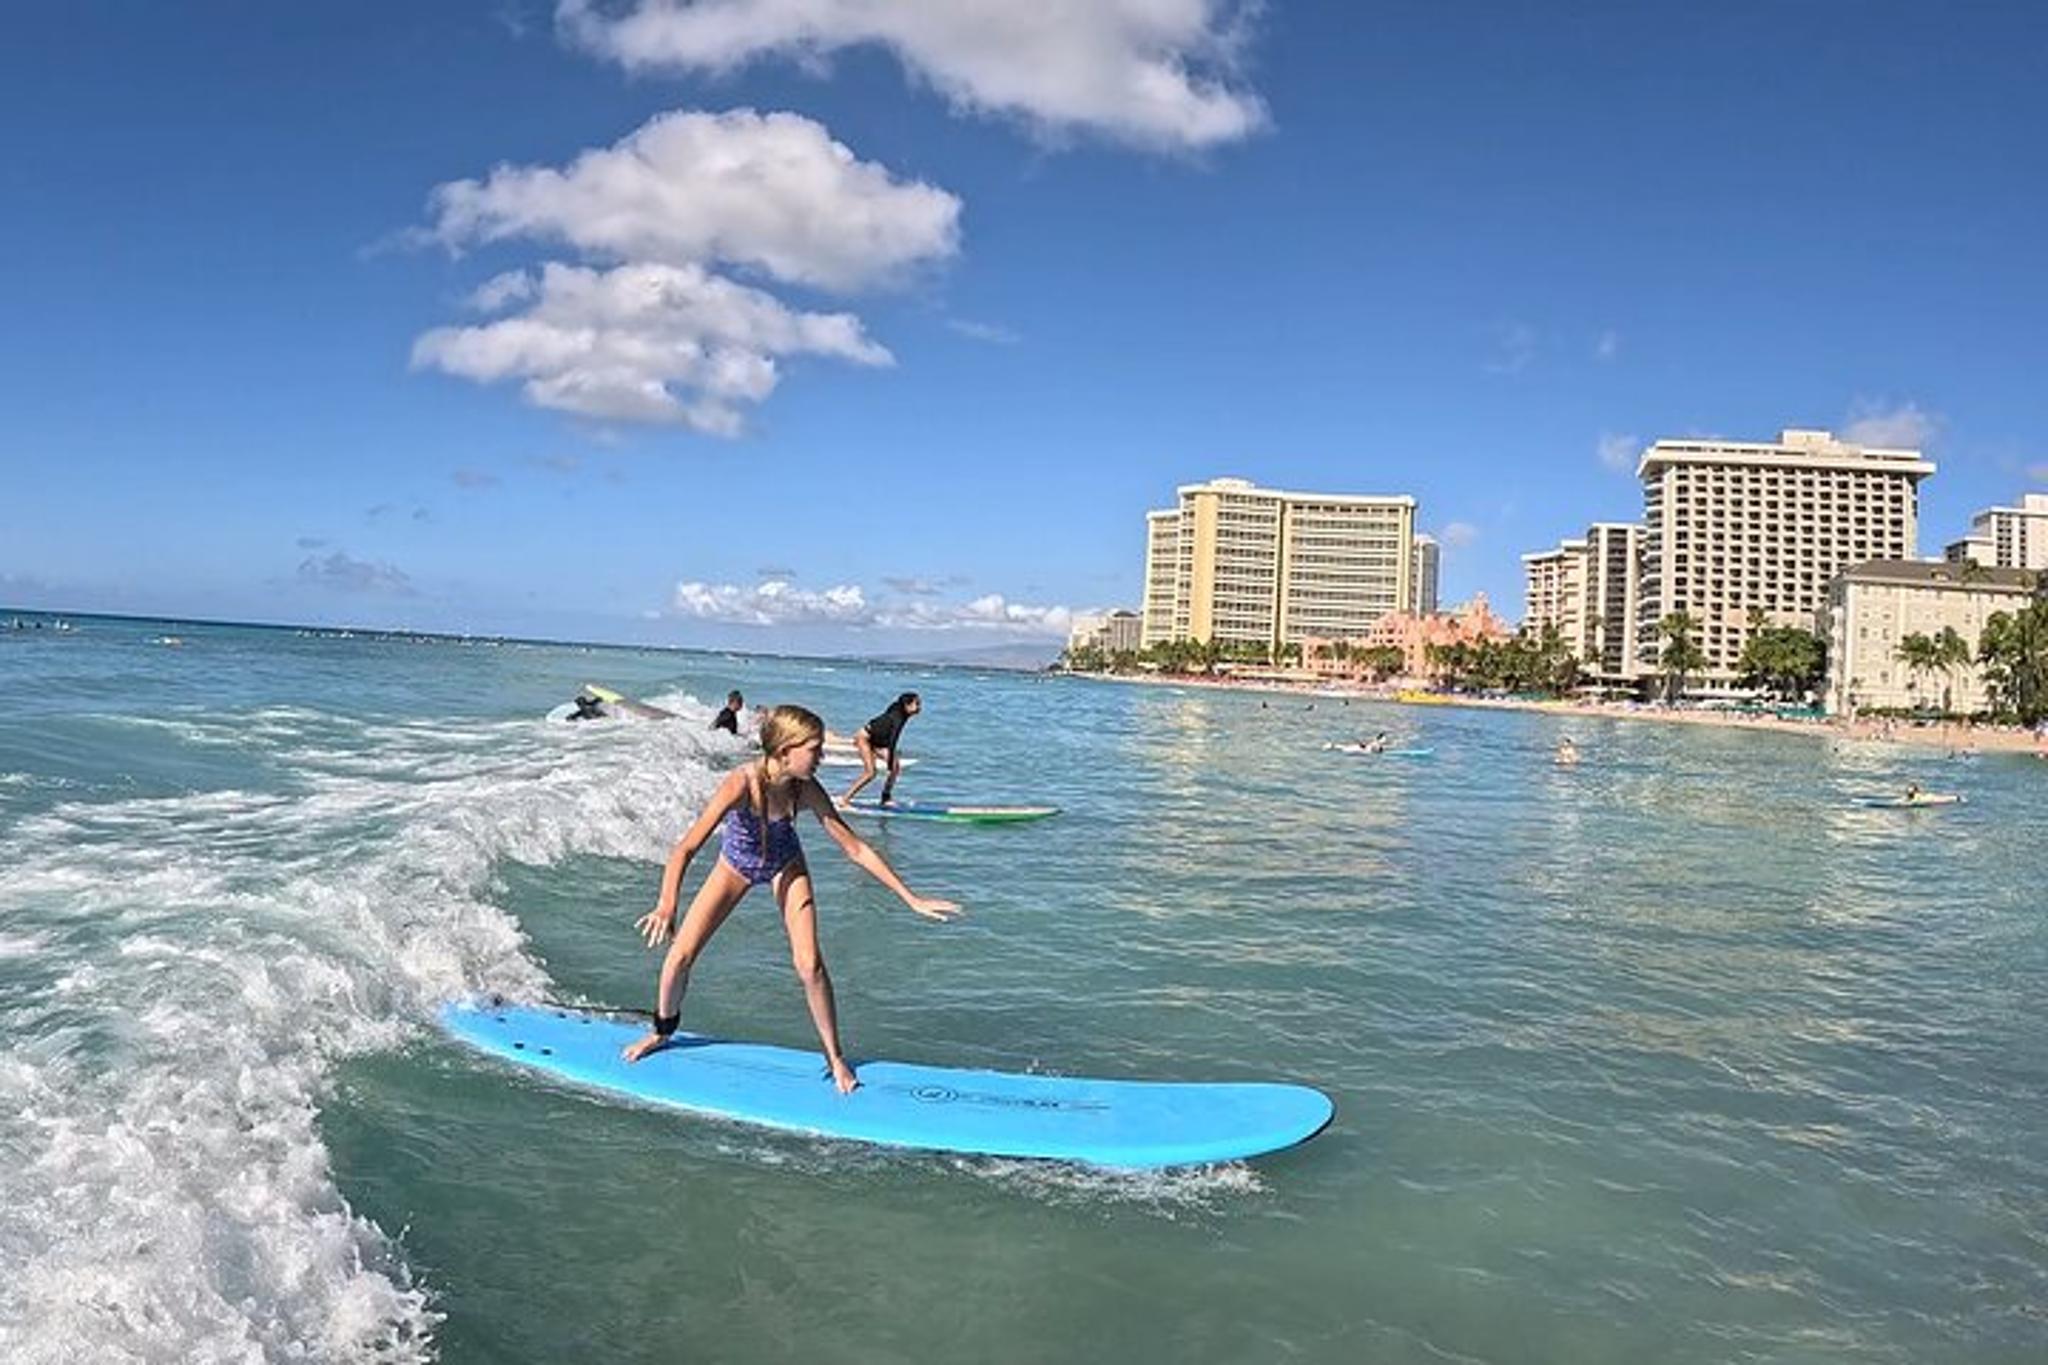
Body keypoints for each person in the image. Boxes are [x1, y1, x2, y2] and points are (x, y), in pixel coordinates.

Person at [622, 704, 960, 1089]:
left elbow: (854, 848)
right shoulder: (741, 783)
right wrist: (667, 904)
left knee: (809, 965)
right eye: (815, 749)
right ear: (785, 751)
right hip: (735, 867)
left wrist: (909, 897)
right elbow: (684, 848)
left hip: (787, 864)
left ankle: (835, 1058)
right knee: (678, 959)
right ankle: (662, 1031)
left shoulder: (805, 788)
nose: (823, 756)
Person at [840, 691, 921, 807]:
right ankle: (845, 799)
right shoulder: (897, 718)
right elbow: (893, 740)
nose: (919, 707)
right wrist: (889, 761)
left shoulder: (901, 710)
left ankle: (885, 797)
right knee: (871, 773)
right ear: (907, 705)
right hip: (864, 738)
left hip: (878, 741)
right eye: (916, 704)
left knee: (895, 767)